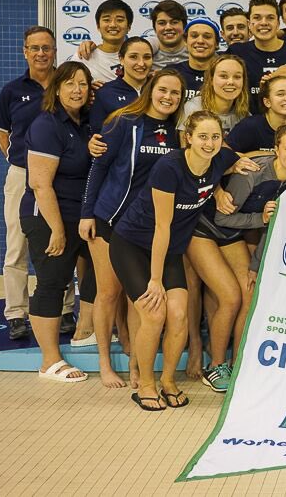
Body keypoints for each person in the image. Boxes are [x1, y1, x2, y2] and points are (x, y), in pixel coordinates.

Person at [110, 111, 246, 410]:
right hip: (132, 245)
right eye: (202, 137)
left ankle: (168, 381)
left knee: (180, 315)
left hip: (169, 249)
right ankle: (146, 384)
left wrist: (246, 161)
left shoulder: (220, 159)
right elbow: (162, 227)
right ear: (188, 138)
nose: (209, 143)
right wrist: (155, 280)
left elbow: (242, 155)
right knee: (155, 313)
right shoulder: (169, 167)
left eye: (215, 137)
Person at [80, 69, 186, 388]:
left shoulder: (177, 133)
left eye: (175, 93)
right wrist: (88, 213)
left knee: (137, 299)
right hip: (110, 220)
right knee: (108, 293)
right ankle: (104, 362)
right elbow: (98, 166)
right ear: (150, 90)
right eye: (162, 90)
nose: (168, 97)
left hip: (145, 228)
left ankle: (137, 364)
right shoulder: (123, 122)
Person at [0, 26, 74, 340]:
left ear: (55, 51)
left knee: (62, 240)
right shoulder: (12, 90)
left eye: (47, 48)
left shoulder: (65, 84)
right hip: (21, 175)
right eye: (35, 48)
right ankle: (15, 313)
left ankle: (66, 308)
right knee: (17, 246)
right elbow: (3, 135)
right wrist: (25, 165)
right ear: (24, 51)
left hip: (60, 179)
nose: (41, 53)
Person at [20, 61, 94, 383]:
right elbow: (40, 183)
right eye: (70, 84)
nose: (77, 90)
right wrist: (57, 230)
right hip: (49, 216)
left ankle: (84, 333)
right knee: (52, 282)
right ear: (57, 88)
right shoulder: (46, 124)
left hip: (81, 215)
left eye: (83, 84)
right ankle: (49, 361)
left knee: (95, 274)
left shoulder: (85, 124)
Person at [215, 122, 286, 356]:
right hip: (218, 230)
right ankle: (229, 362)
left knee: (253, 292)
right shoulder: (253, 172)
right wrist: (261, 219)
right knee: (243, 296)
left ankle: (242, 360)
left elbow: (275, 225)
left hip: (250, 232)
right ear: (276, 149)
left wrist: (257, 264)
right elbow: (221, 218)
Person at [231, 0, 286, 114]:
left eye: (270, 18)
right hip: (250, 126)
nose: (264, 23)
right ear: (249, 23)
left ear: (278, 23)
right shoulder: (236, 53)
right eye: (257, 18)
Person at [89, 36, 153, 134]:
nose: (141, 63)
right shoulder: (104, 93)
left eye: (147, 57)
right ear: (121, 59)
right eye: (133, 57)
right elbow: (97, 136)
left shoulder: (159, 91)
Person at [178, 55, 250, 138]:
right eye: (223, 76)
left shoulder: (244, 115)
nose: (231, 82)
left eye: (237, 77)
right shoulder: (193, 108)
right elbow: (185, 148)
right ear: (211, 80)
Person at [227, 76, 286, 156]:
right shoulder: (250, 126)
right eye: (280, 94)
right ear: (267, 102)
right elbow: (225, 154)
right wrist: (267, 154)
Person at [70, 0, 132, 84]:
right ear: (98, 26)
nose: (113, 25)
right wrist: (87, 88)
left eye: (120, 20)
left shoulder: (138, 56)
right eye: (107, 20)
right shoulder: (83, 56)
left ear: (129, 27)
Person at [170, 17, 221, 100]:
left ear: (216, 43)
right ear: (185, 41)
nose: (200, 41)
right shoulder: (172, 72)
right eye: (194, 36)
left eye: (207, 37)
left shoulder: (225, 76)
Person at [148, 0, 190, 68]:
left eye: (174, 22)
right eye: (162, 23)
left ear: (184, 26)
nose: (168, 28)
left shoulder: (195, 53)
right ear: (154, 28)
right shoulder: (145, 54)